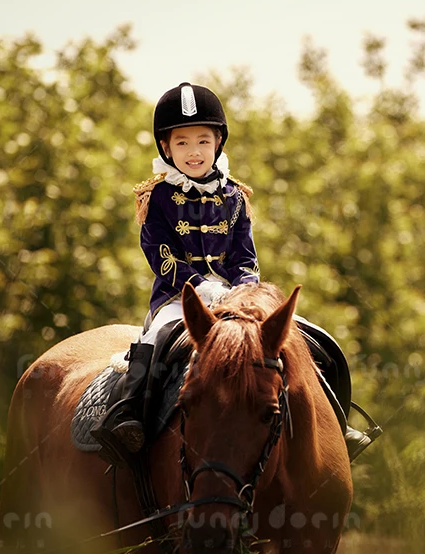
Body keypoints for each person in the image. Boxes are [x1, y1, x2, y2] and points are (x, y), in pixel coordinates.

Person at [91, 82, 373, 466]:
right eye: (183, 143)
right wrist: (202, 288)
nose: (194, 152)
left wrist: (243, 290)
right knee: (157, 338)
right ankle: (128, 415)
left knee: (312, 338)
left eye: (203, 141)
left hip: (238, 299)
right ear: (166, 148)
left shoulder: (235, 196)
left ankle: (336, 425)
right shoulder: (156, 197)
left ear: (218, 143)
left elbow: (246, 258)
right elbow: (161, 256)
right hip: (179, 298)